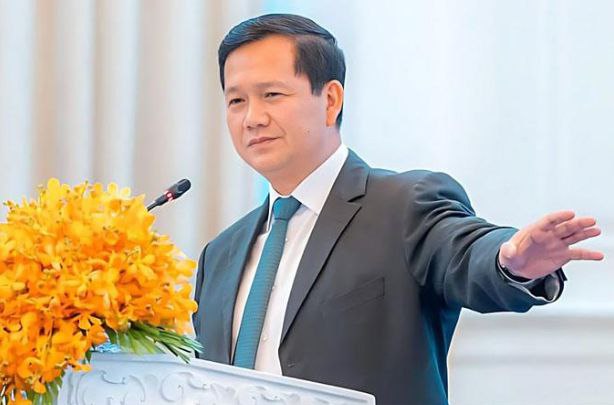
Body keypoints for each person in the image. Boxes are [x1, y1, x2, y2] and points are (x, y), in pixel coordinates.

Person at [192, 14, 603, 405]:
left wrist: (510, 262)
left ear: (330, 99)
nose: (252, 118)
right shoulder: (220, 255)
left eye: (272, 95)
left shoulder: (403, 206)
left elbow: (466, 250)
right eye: (236, 101)